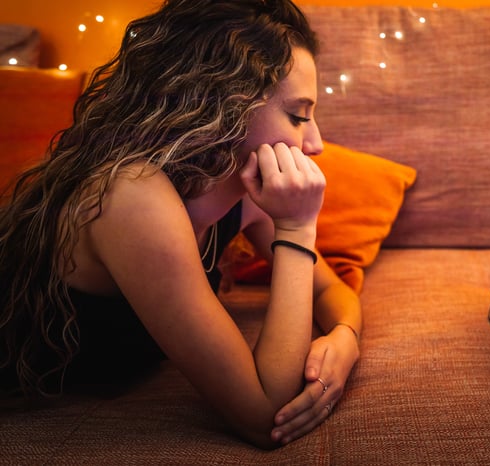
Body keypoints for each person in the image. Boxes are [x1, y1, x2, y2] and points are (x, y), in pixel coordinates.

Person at [0, 0, 361, 449]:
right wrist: (296, 226)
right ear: (222, 102)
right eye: (299, 114)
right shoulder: (131, 195)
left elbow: (330, 290)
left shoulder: (242, 195)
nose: (316, 143)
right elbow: (267, 412)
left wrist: (345, 338)